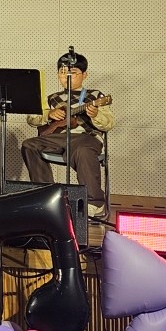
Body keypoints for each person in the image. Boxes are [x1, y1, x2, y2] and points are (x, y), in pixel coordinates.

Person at [21, 52, 114, 218]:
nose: (67, 76)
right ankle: (46, 195)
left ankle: (94, 202)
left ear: (84, 75)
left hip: (86, 138)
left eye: (73, 72)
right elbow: (31, 118)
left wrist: (95, 115)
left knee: (83, 150)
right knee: (29, 144)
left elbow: (109, 124)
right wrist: (48, 115)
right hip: (57, 139)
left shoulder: (95, 96)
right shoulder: (52, 98)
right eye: (63, 72)